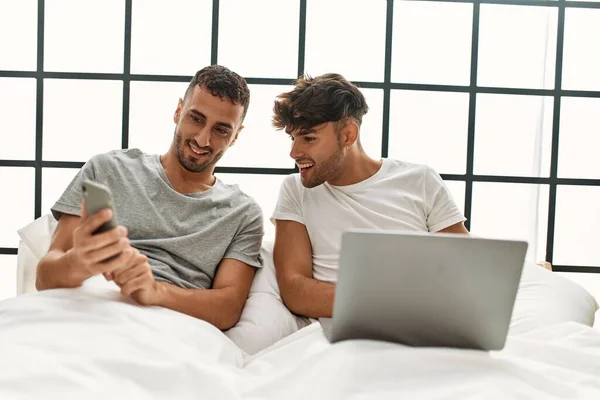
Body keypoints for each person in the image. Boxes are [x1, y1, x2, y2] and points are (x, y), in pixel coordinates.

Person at [35, 65, 264, 330]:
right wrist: (80, 262)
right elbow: (45, 278)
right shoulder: (109, 170)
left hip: (171, 327)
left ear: (236, 136)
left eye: (221, 130)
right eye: (196, 118)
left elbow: (227, 309)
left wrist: (155, 291)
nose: (203, 139)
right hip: (91, 312)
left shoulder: (243, 213)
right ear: (178, 111)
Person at [270, 73, 469, 319]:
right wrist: (398, 304)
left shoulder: (421, 180)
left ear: (347, 136)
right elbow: (295, 291)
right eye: (292, 138)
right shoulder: (295, 190)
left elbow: (465, 271)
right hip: (348, 331)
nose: (294, 152)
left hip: (424, 327)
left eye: (308, 138)